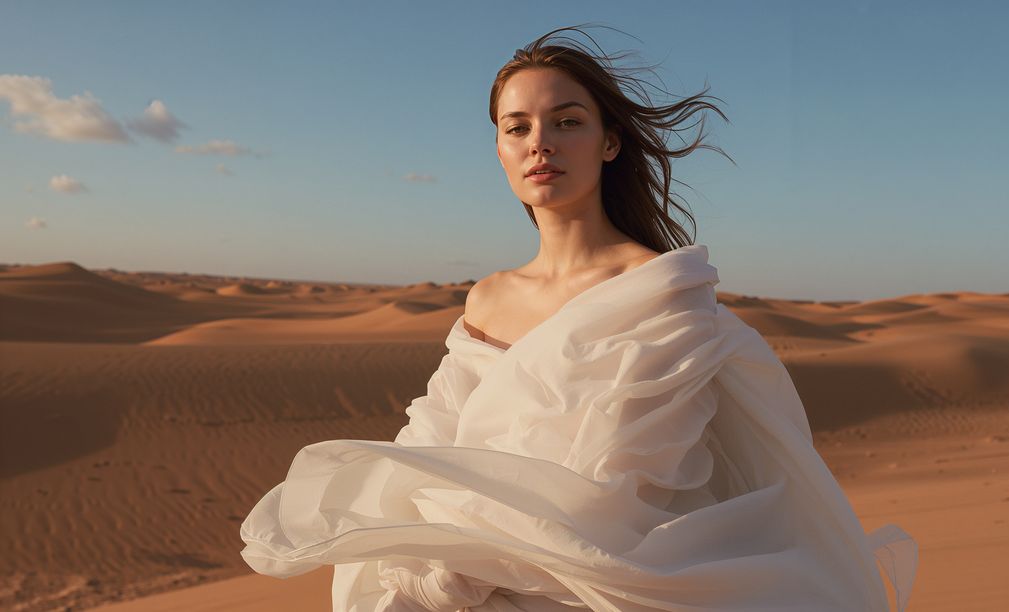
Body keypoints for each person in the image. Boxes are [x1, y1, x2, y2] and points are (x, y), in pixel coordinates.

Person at [240, 24, 917, 611]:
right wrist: (410, 564)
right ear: (500, 150)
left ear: (609, 143)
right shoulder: (487, 299)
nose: (541, 143)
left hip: (597, 590)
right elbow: (429, 449)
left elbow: (614, 488)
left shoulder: (658, 293)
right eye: (518, 127)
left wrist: (448, 572)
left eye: (567, 122)